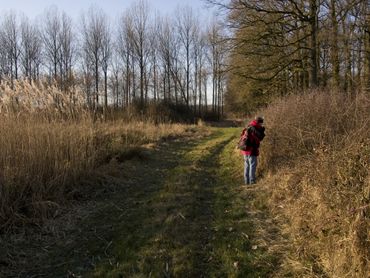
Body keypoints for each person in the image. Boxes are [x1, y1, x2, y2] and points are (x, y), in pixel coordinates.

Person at [240, 116, 265, 185]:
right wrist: (262, 131)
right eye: (261, 124)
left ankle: (246, 181)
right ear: (259, 122)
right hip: (251, 150)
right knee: (252, 166)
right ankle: (252, 182)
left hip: (245, 150)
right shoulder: (254, 128)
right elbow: (259, 138)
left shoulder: (249, 126)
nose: (261, 125)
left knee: (247, 165)